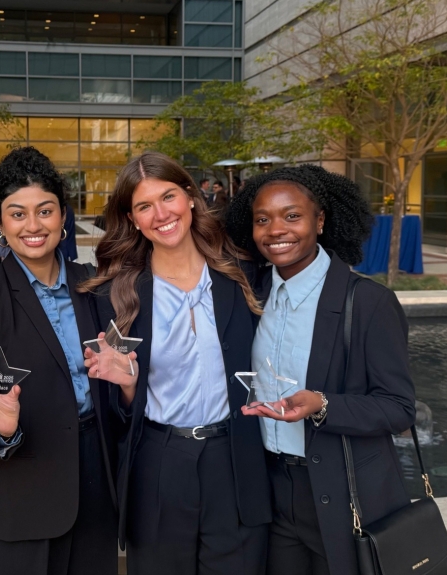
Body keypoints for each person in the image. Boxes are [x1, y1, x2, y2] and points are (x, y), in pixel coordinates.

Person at [79, 151, 271, 575]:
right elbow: (113, 412)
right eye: (144, 206)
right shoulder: (113, 295)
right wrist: (129, 384)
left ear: (190, 196)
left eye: (168, 197)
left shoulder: (241, 274)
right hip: (159, 463)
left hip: (234, 459)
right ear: (132, 219)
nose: (160, 214)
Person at [225, 165, 416, 575]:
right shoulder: (250, 293)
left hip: (342, 493)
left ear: (321, 220)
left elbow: (399, 408)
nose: (276, 230)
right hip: (270, 489)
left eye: (292, 215)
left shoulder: (368, 303)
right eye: (263, 219)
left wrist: (321, 404)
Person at [0, 146, 125, 575]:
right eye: (17, 214)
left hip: (95, 493)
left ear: (63, 215)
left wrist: (128, 387)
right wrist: (3, 433)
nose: (33, 226)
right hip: (19, 499)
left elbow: (117, 391)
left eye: (45, 211)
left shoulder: (95, 288)